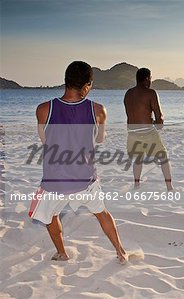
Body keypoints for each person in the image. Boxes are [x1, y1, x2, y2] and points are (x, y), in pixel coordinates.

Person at [30, 61, 127, 263]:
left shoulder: (43, 109)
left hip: (55, 180)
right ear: (87, 85)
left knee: (50, 217)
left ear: (65, 81)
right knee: (102, 213)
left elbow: (45, 140)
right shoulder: (99, 110)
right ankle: (120, 252)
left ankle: (62, 253)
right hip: (86, 179)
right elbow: (100, 139)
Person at [124, 68, 173, 190]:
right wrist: (158, 122)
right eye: (150, 78)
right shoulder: (150, 93)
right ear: (147, 79)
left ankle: (136, 185)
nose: (151, 81)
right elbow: (159, 119)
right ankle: (169, 187)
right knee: (164, 157)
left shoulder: (128, 93)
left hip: (132, 134)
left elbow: (131, 115)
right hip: (147, 134)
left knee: (138, 158)